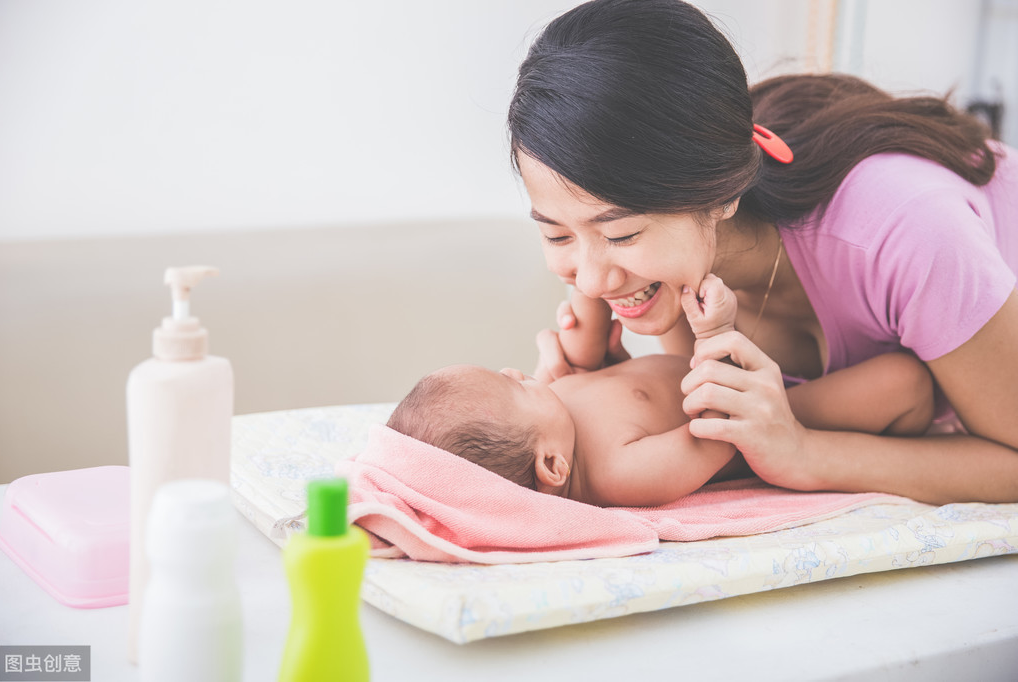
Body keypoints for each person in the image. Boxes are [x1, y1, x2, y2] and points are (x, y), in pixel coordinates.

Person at [505, 0, 1018, 505]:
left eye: (621, 235)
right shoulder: (676, 274)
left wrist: (806, 454)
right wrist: (613, 401)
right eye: (557, 235)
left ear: (723, 192)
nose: (590, 283)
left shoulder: (908, 235)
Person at [387, 275, 934, 507]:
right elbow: (721, 428)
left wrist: (584, 306)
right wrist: (715, 334)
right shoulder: (619, 475)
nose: (514, 371)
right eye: (514, 388)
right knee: (904, 381)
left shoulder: (550, 419)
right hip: (780, 414)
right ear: (551, 466)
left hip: (750, 384)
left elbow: (579, 363)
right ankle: (907, 436)